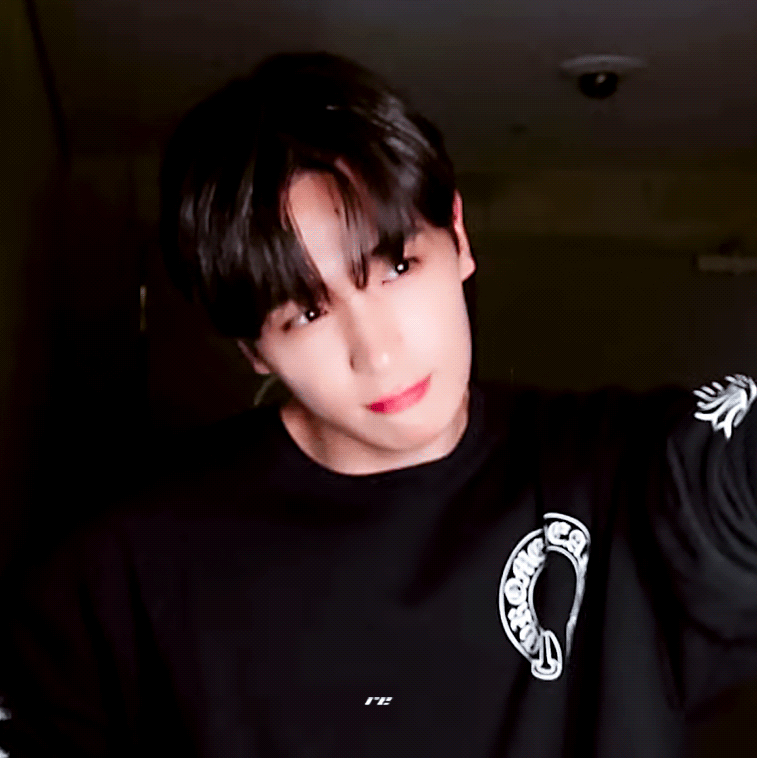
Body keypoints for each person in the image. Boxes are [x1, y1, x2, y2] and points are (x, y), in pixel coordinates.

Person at [1, 50, 757, 758]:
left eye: (396, 267)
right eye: (306, 313)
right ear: (253, 350)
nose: (379, 353)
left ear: (457, 235)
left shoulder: (615, 476)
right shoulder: (127, 563)